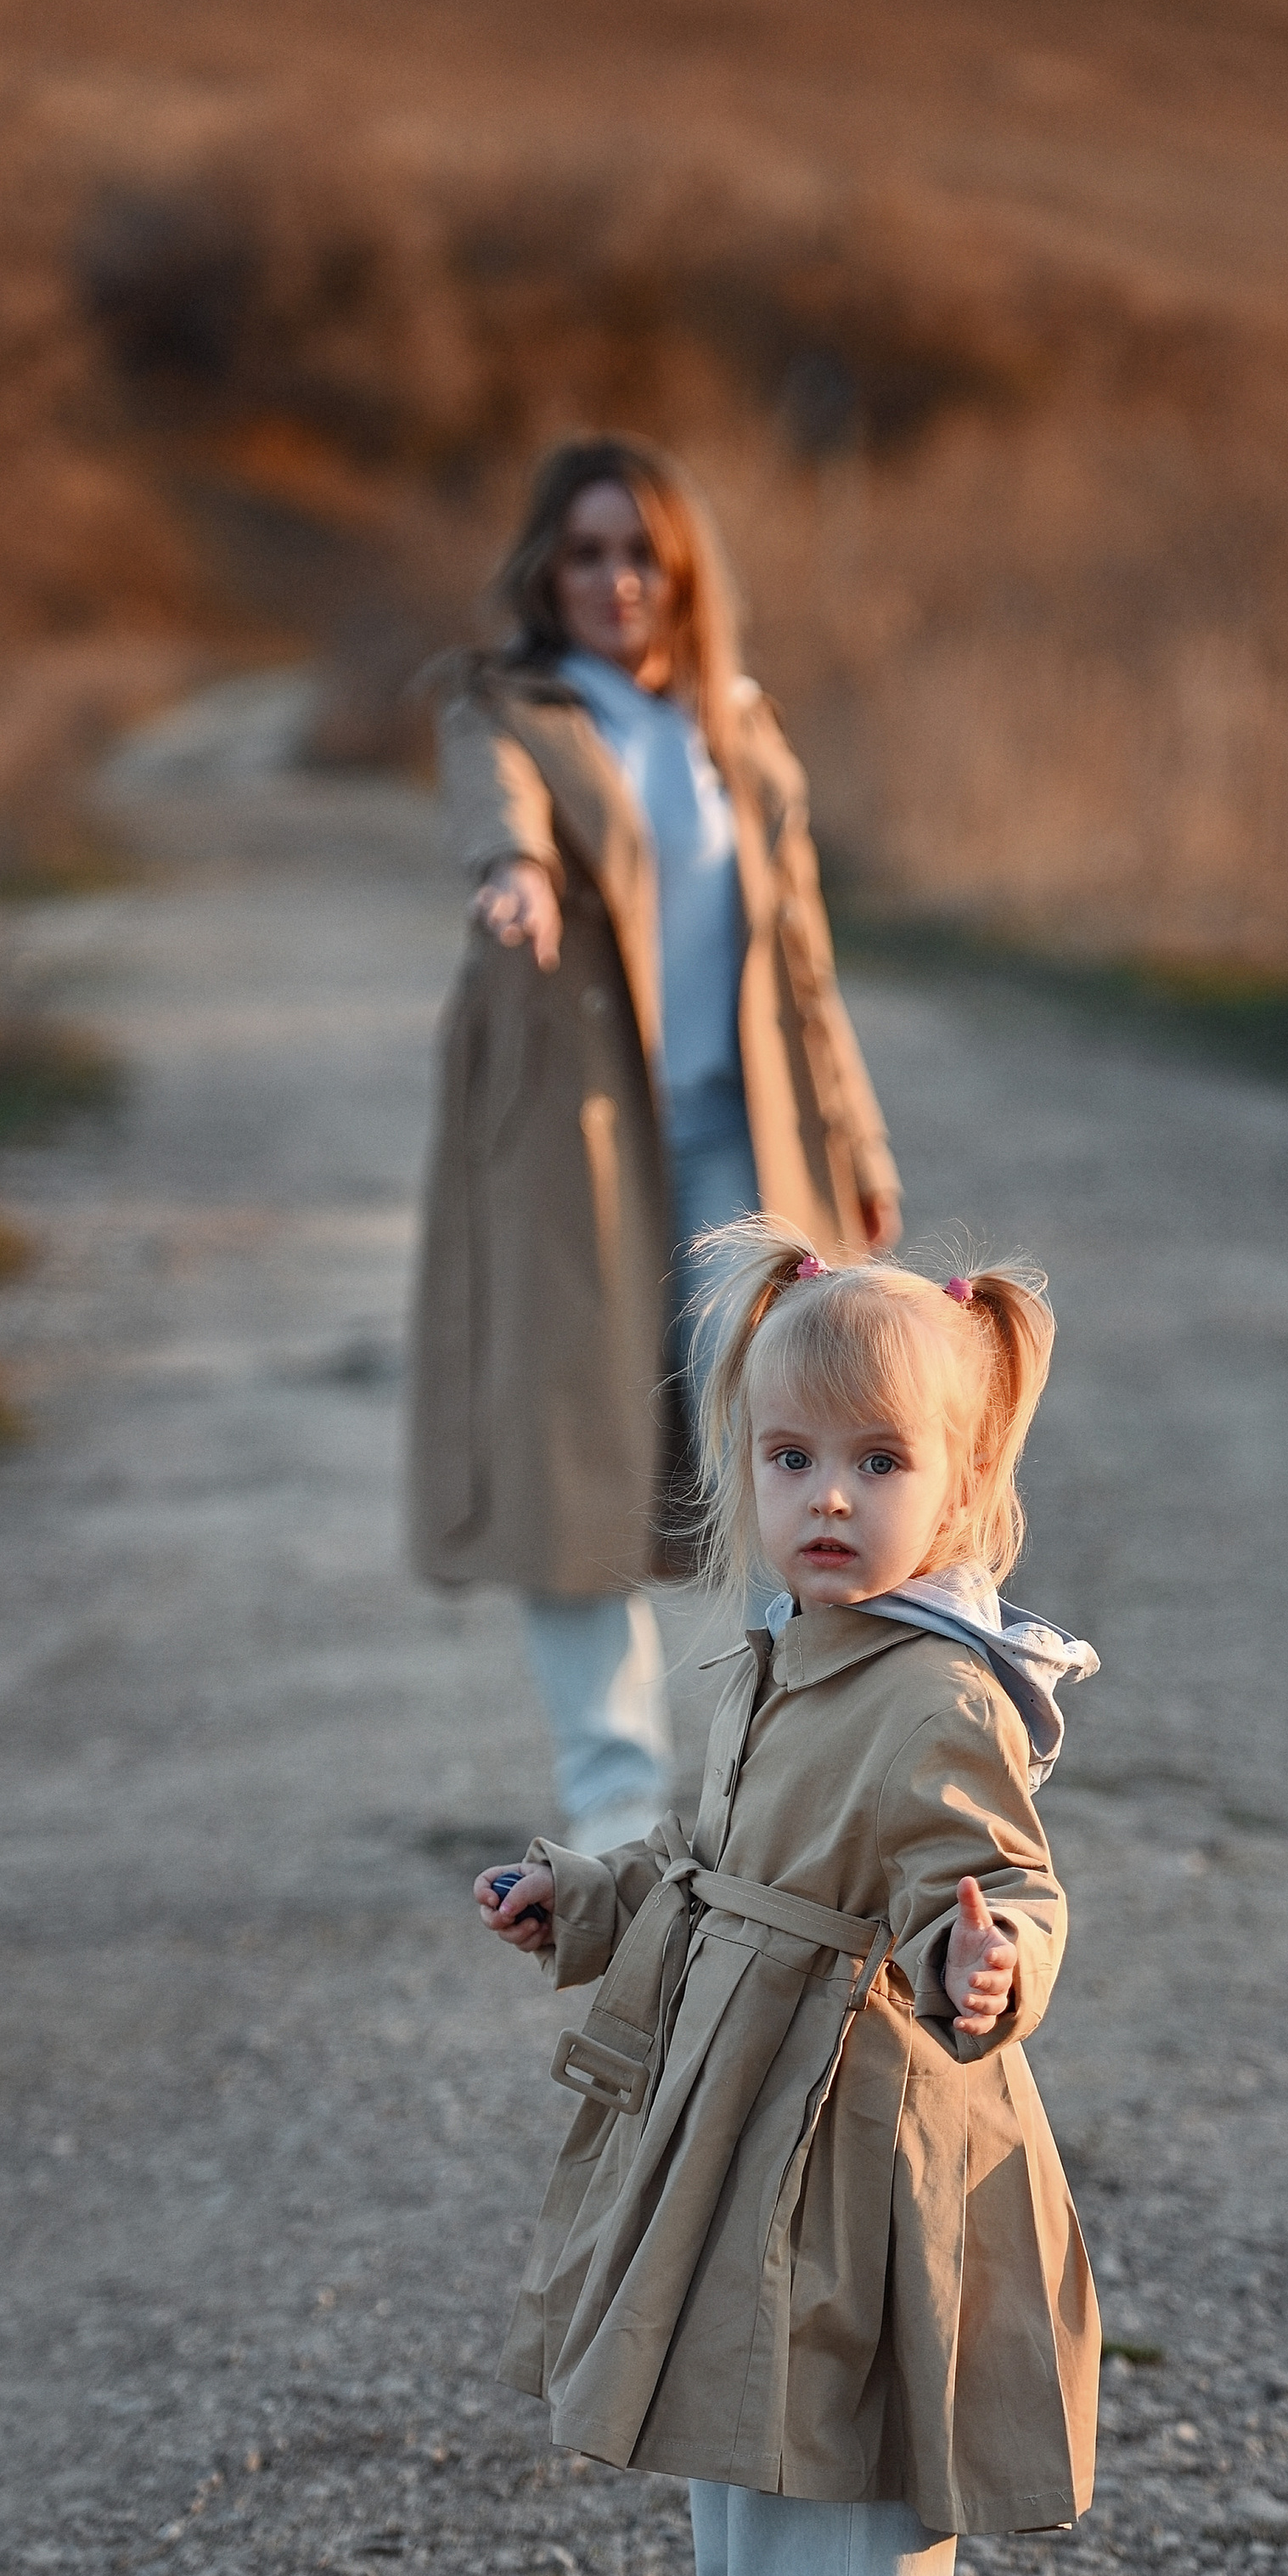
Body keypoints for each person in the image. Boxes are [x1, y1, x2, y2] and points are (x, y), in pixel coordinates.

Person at [474, 1220, 1102, 2576]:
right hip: (747, 2121)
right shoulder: (783, 1645)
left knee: (832, 2474)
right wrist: (581, 1902)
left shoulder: (934, 1694)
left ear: (962, 1483)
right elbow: (702, 1852)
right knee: (743, 2454)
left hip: (859, 2132)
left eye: (880, 1463)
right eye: (790, 1458)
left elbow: (1005, 1888)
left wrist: (985, 1961)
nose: (829, 1496)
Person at [408, 437, 901, 1849]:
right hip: (576, 1156)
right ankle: (616, 1807)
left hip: (747, 1152)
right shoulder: (500, 706)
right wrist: (510, 874)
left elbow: (802, 964)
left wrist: (858, 1146)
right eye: (587, 553)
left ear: (681, 575)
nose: (617, 581)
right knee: (577, 1465)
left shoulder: (737, 728)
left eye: (643, 555)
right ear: (546, 572)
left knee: (790, 1454)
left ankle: (784, 1780)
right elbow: (490, 814)